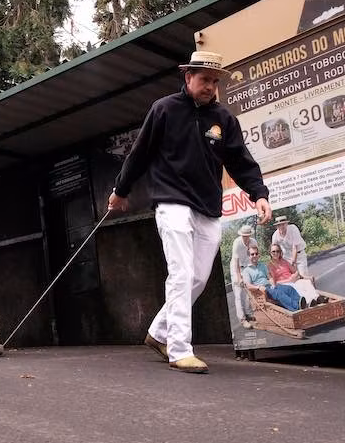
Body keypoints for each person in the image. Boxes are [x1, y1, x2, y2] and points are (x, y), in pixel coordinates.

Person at [107, 51, 272, 374]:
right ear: (188, 78)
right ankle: (179, 349)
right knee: (181, 273)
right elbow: (139, 154)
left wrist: (259, 194)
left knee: (197, 277)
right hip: (171, 200)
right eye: (204, 79)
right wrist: (120, 190)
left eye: (214, 81)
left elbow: (240, 161)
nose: (209, 86)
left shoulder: (224, 120)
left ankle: (159, 332)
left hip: (207, 205)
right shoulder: (164, 109)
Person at [241, 245, 302, 312]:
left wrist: (273, 284)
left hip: (270, 286)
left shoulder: (262, 265)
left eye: (256, 253)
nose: (255, 255)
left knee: (289, 288)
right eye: (252, 254)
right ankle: (297, 307)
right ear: (248, 256)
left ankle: (300, 302)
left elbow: (269, 277)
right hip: (262, 290)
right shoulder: (246, 271)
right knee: (278, 293)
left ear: (259, 255)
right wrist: (258, 287)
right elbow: (248, 286)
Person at [267, 243, 320, 308]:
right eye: (273, 251)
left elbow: (295, 271)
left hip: (293, 280)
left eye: (278, 251)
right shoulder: (270, 265)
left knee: (306, 282)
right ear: (270, 253)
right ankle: (308, 302)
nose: (276, 253)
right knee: (296, 287)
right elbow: (275, 283)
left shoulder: (284, 261)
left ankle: (316, 298)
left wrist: (294, 276)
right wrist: (289, 280)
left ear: (280, 252)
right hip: (284, 284)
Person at [230, 224, 257, 329]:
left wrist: (255, 270)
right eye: (243, 236)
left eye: (247, 235)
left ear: (250, 235)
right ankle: (242, 319)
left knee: (248, 292)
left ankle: (248, 313)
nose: (245, 237)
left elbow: (254, 256)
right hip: (236, 268)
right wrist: (239, 277)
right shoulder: (237, 243)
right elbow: (236, 261)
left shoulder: (253, 242)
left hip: (247, 267)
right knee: (239, 293)